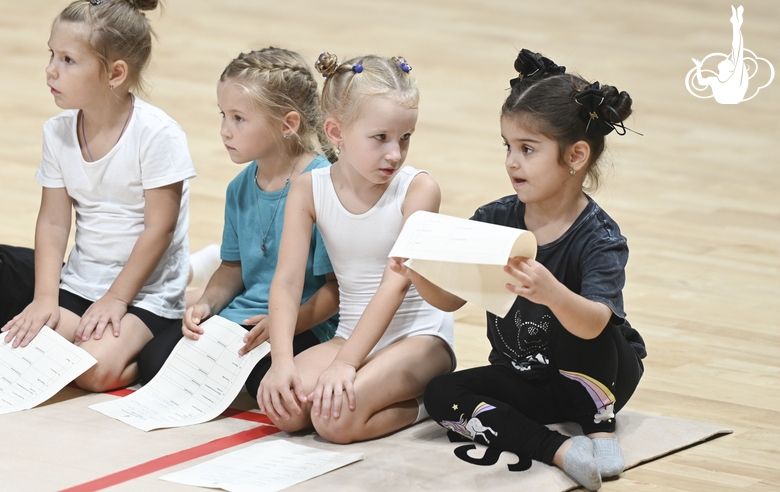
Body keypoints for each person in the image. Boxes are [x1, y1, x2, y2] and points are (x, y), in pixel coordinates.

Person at [391, 49, 646, 491]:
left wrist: (551, 293)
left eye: (528, 149)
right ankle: (556, 448)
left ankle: (599, 430)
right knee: (440, 395)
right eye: (507, 147)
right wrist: (420, 271)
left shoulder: (599, 237)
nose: (512, 161)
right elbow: (451, 298)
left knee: (576, 319)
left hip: (598, 381)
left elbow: (595, 325)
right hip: (526, 375)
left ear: (576, 156)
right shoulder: (493, 218)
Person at [259, 53, 455, 444]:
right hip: (350, 333)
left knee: (334, 422)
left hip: (419, 339)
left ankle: (430, 403)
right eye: (380, 138)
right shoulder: (308, 189)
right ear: (336, 132)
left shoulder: (418, 189)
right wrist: (280, 361)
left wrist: (345, 365)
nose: (395, 154)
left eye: (405, 138)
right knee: (287, 408)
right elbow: (287, 280)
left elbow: (395, 285)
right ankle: (364, 386)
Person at [1, 0, 196, 393]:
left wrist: (115, 299)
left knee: (93, 371)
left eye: (68, 60)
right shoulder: (57, 132)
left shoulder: (158, 134)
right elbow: (54, 222)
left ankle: (152, 342)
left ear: (115, 73)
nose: (51, 70)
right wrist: (45, 297)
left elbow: (159, 229)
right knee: (27, 351)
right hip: (83, 281)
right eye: (51, 55)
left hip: (144, 292)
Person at [135, 48, 340, 402]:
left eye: (239, 119)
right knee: (152, 362)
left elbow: (334, 291)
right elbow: (233, 268)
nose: (224, 131)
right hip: (243, 320)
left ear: (287, 124)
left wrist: (284, 326)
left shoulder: (323, 184)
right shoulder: (240, 187)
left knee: (262, 382)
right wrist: (208, 304)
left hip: (303, 322)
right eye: (223, 116)